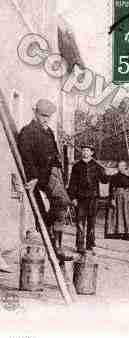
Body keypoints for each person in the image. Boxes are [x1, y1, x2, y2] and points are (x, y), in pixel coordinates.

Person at [17, 99, 73, 261]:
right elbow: (26, 157)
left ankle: (56, 243)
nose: (46, 119)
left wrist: (59, 172)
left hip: (53, 173)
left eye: (48, 116)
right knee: (60, 204)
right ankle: (54, 241)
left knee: (62, 204)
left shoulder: (48, 132)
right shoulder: (27, 132)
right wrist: (34, 177)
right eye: (43, 115)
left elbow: (55, 153)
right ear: (35, 112)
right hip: (40, 175)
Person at [68, 144, 110, 254]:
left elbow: (104, 180)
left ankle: (89, 245)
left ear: (92, 152)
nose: (85, 152)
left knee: (91, 222)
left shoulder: (97, 166)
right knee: (80, 222)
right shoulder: (76, 166)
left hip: (93, 198)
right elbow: (72, 183)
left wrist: (107, 173)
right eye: (83, 150)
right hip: (80, 198)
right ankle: (80, 245)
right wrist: (72, 198)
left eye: (87, 150)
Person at [105, 161, 129, 241]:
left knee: (127, 215)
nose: (121, 168)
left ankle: (128, 233)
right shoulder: (113, 177)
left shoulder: (128, 178)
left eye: (122, 166)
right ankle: (116, 233)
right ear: (117, 168)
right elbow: (111, 189)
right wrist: (112, 199)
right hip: (116, 197)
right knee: (116, 214)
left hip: (126, 198)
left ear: (125, 167)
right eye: (119, 166)